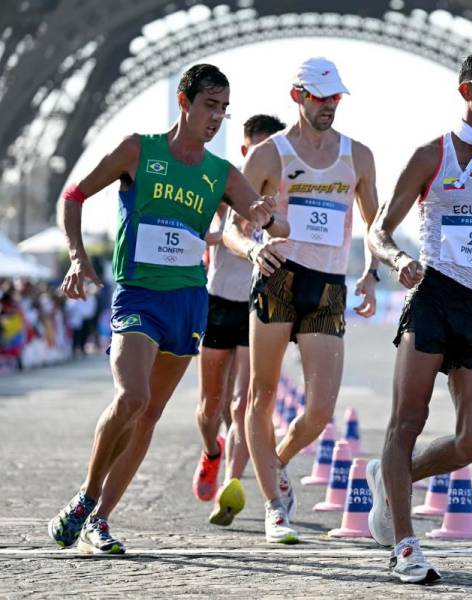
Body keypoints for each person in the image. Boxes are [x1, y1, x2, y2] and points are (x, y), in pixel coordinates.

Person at [47, 64, 289, 555]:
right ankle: (85, 497)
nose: (216, 117)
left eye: (224, 109)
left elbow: (256, 213)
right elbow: (73, 196)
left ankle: (101, 519)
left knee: (150, 414)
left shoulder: (220, 172)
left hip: (188, 302)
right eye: (209, 105)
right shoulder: (140, 150)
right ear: (185, 101)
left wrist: (266, 216)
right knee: (131, 397)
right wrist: (77, 257)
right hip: (138, 295)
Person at [365, 49, 472, 583]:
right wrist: (398, 260)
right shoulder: (430, 155)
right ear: (466, 90)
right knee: (406, 422)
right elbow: (378, 229)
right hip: (435, 298)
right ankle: (404, 547)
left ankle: (391, 478)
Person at [232, 57, 379, 544]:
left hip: (329, 284)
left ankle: (273, 465)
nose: (329, 106)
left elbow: (376, 227)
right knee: (261, 396)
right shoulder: (269, 155)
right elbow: (232, 227)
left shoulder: (358, 156)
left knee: (319, 409)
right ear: (298, 97)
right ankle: (276, 506)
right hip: (279, 277)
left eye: (335, 97)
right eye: (320, 97)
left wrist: (372, 273)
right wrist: (255, 247)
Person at [191, 115, 287, 526]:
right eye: (258, 148)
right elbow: (194, 231)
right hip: (218, 302)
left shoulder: (280, 195)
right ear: (246, 150)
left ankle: (230, 487)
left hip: (254, 302)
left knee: (243, 401)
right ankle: (211, 452)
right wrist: (228, 236)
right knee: (210, 408)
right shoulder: (222, 186)